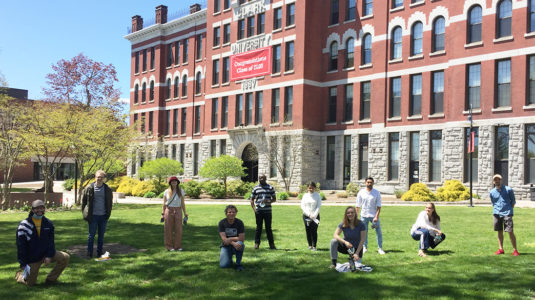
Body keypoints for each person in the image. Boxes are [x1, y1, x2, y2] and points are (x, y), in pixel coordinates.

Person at [15, 200, 70, 286]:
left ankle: (51, 279)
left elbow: (51, 242)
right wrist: (23, 263)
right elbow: (21, 246)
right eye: (37, 208)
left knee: (65, 257)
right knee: (30, 283)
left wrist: (49, 256)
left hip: (45, 254)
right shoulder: (24, 225)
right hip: (32, 258)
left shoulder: (48, 223)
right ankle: (20, 276)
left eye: (42, 208)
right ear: (32, 210)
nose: (39, 210)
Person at [82, 170, 113, 258]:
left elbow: (109, 203)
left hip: (103, 216)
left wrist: (108, 214)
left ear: (104, 178)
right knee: (91, 236)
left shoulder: (107, 189)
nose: (99, 179)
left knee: (101, 236)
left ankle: (99, 253)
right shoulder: (89, 188)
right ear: (95, 177)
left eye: (101, 177)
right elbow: (84, 201)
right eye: (98, 177)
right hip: (93, 216)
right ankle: (89, 253)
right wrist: (85, 213)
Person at [490, 174, 519, 256]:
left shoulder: (508, 189)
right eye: (495, 180)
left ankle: (515, 250)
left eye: (498, 179)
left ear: (501, 180)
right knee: (499, 231)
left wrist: (509, 209)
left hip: (507, 213)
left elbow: (513, 201)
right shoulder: (492, 192)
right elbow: (493, 202)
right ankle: (501, 249)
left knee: (510, 231)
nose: (497, 181)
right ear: (493, 182)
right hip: (496, 213)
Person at [355, 177, 385, 255]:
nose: (369, 184)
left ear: (373, 183)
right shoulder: (361, 192)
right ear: (365, 183)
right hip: (363, 216)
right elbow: (358, 206)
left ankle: (380, 248)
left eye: (371, 182)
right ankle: (364, 247)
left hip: (373, 216)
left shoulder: (376, 193)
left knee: (378, 232)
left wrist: (376, 217)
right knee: (364, 233)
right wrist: (356, 217)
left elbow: (379, 206)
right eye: (368, 182)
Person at [250, 174, 277, 249]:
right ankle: (257, 244)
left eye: (262, 178)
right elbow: (251, 199)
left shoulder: (270, 188)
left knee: (268, 228)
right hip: (259, 211)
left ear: (265, 178)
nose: (261, 179)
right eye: (259, 178)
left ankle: (271, 244)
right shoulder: (255, 188)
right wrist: (254, 209)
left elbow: (274, 199)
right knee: (258, 228)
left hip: (268, 211)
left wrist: (268, 201)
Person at [162, 176, 188, 251]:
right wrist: (162, 213)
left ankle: (178, 246)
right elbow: (164, 204)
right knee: (168, 229)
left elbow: (182, 203)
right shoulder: (166, 191)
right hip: (169, 210)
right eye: (172, 181)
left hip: (178, 210)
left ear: (177, 182)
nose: (174, 182)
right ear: (170, 183)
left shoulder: (181, 191)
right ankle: (169, 246)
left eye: (175, 181)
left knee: (178, 229)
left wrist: (185, 213)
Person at [219, 205, 245, 271]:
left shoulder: (239, 223)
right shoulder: (222, 223)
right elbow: (224, 239)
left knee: (240, 244)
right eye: (229, 212)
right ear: (226, 213)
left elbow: (241, 238)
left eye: (233, 212)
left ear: (236, 213)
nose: (231, 214)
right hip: (226, 245)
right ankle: (229, 259)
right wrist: (233, 243)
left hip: (237, 245)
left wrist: (230, 239)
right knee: (223, 266)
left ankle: (238, 264)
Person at [300, 182, 321, 251]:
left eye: (312, 188)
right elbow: (303, 206)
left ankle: (314, 246)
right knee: (308, 230)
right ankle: (310, 245)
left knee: (314, 231)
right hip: (306, 216)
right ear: (307, 188)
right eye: (309, 188)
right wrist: (309, 215)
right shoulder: (305, 196)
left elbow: (318, 206)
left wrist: (314, 215)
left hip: (315, 217)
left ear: (314, 188)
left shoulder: (318, 195)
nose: (311, 189)